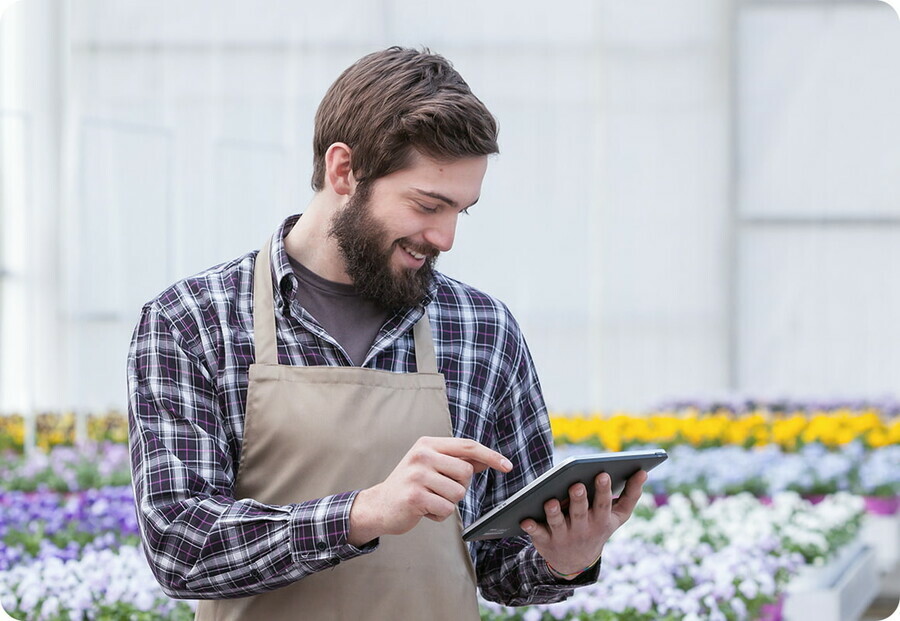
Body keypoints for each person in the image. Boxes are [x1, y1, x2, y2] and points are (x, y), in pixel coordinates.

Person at [127, 46, 647, 620]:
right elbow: (180, 548)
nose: (445, 237)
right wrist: (364, 512)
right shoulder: (194, 321)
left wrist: (564, 558)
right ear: (344, 170)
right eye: (428, 204)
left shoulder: (482, 329)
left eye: (461, 211)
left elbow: (502, 565)